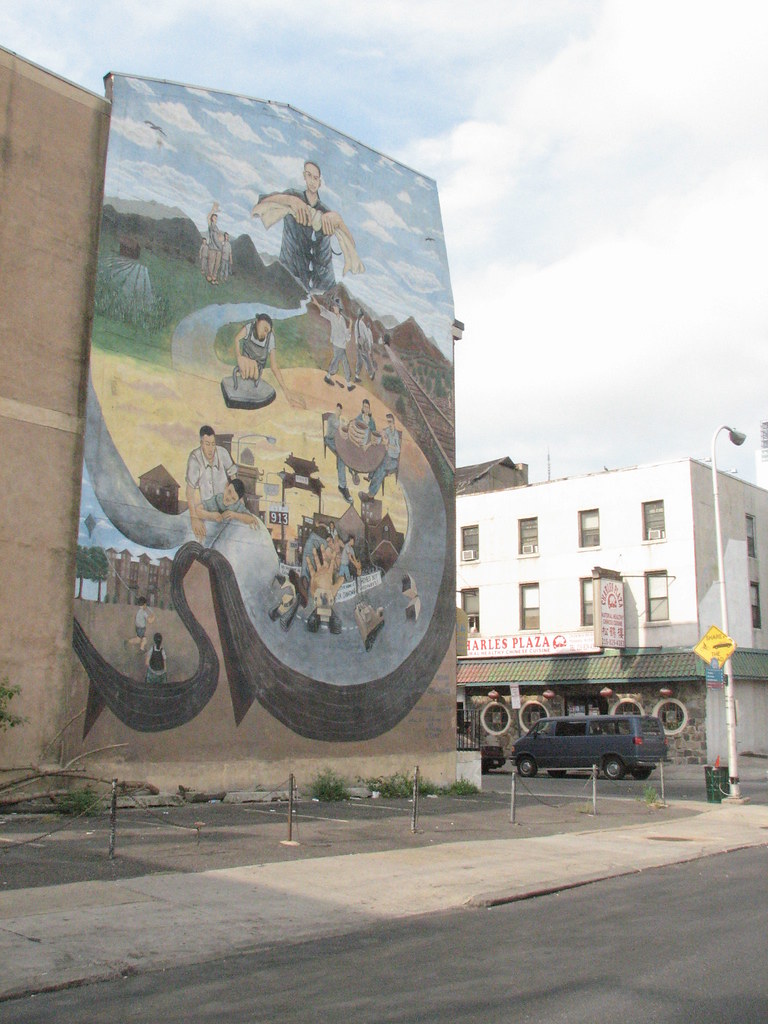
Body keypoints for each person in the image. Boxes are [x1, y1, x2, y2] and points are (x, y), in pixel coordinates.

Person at [251, 160, 364, 292]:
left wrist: (339, 221)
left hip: (322, 284)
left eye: (315, 178)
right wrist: (290, 201)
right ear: (304, 176)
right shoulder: (292, 196)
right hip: (290, 277)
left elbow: (351, 244)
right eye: (309, 175)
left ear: (320, 182)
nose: (312, 181)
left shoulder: (326, 212)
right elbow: (261, 204)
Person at [232, 313, 302, 407]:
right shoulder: (249, 328)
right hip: (244, 367)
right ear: (257, 322)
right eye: (265, 329)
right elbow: (236, 339)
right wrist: (239, 356)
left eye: (267, 332)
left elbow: (274, 367)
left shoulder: (270, 338)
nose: (265, 334)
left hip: (256, 372)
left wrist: (286, 391)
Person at [186, 426, 238, 542]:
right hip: (207, 512)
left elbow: (234, 479)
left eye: (213, 444)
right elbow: (189, 492)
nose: (211, 449)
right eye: (207, 444)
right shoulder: (194, 458)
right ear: (201, 443)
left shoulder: (223, 453)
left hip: (225, 506)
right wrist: (194, 518)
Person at [311, 295, 355, 391]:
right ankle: (330, 377)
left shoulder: (342, 319)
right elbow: (324, 311)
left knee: (344, 362)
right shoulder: (332, 316)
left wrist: (350, 326)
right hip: (337, 344)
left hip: (342, 345)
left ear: (339, 308)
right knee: (337, 362)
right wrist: (317, 304)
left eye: (336, 306)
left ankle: (347, 384)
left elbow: (346, 334)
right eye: (334, 306)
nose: (334, 308)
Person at [365, 413, 401, 498]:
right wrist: (381, 435)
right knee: (377, 459)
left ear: (394, 422)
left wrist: (388, 445)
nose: (389, 424)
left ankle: (371, 494)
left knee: (381, 469)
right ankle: (370, 477)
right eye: (388, 422)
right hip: (387, 456)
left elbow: (398, 449)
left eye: (390, 422)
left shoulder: (395, 434)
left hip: (393, 460)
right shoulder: (387, 430)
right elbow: (382, 434)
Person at [353, 311, 376, 383]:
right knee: (367, 360)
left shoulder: (356, 323)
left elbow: (355, 334)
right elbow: (367, 337)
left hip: (358, 344)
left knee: (359, 360)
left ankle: (356, 376)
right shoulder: (362, 324)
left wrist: (357, 342)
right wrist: (369, 348)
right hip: (363, 345)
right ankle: (371, 375)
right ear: (362, 316)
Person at [206, 203, 223, 284]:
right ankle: (209, 276)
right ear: (212, 219)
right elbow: (208, 217)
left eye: (216, 218)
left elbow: (220, 238)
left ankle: (214, 278)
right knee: (211, 263)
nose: (216, 219)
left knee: (217, 264)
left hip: (218, 249)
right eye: (214, 217)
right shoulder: (211, 226)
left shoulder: (216, 228)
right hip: (213, 248)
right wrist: (213, 210)